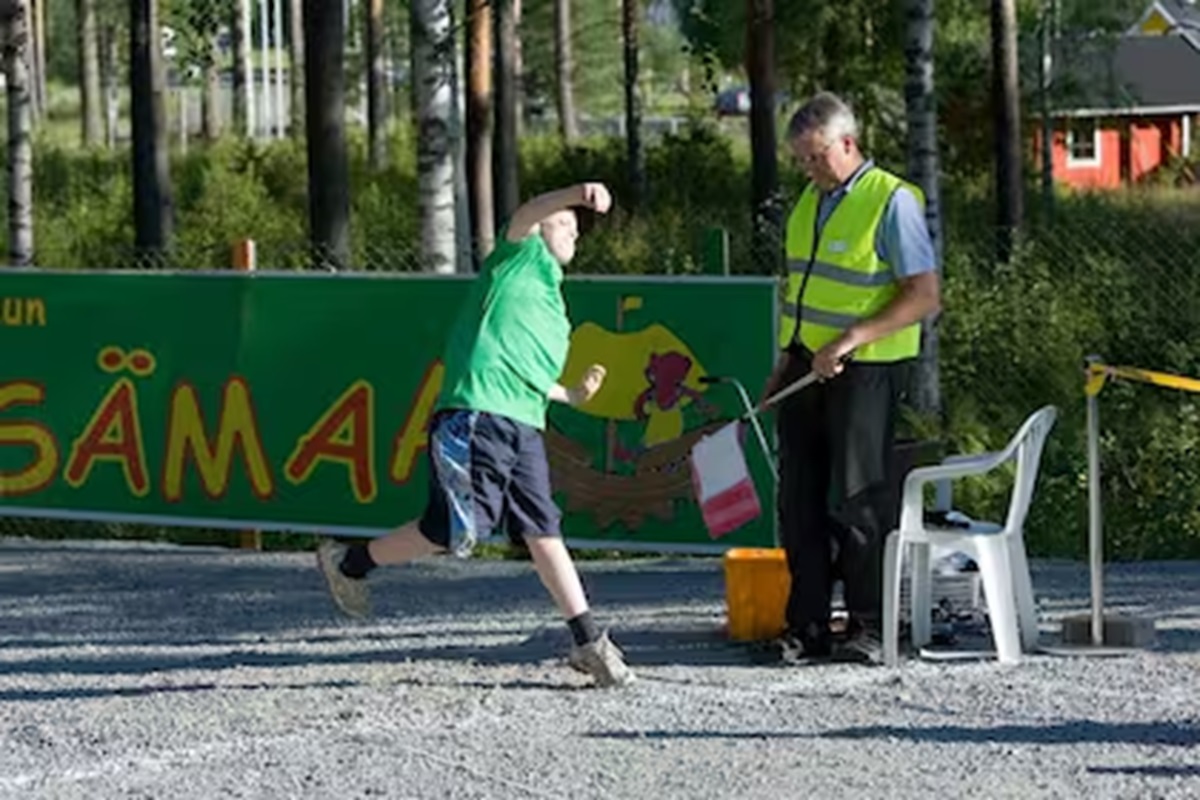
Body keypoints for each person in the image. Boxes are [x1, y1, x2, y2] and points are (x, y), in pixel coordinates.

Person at [315, 181, 635, 688]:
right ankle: (349, 560)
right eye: (564, 219)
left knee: (542, 531)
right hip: (477, 415)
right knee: (458, 530)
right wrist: (576, 192)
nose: (573, 224)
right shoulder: (517, 258)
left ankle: (589, 642)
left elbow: (521, 370)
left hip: (523, 421)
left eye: (576, 222)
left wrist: (570, 396)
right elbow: (530, 210)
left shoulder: (554, 302)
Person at [763, 92, 941, 666]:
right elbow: (802, 296)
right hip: (806, 368)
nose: (809, 170)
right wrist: (784, 364)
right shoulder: (807, 206)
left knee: (860, 498)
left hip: (867, 370)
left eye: (816, 157)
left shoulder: (892, 201)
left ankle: (868, 623)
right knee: (798, 499)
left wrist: (851, 339)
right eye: (802, 161)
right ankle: (806, 624)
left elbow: (923, 296)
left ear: (848, 142)